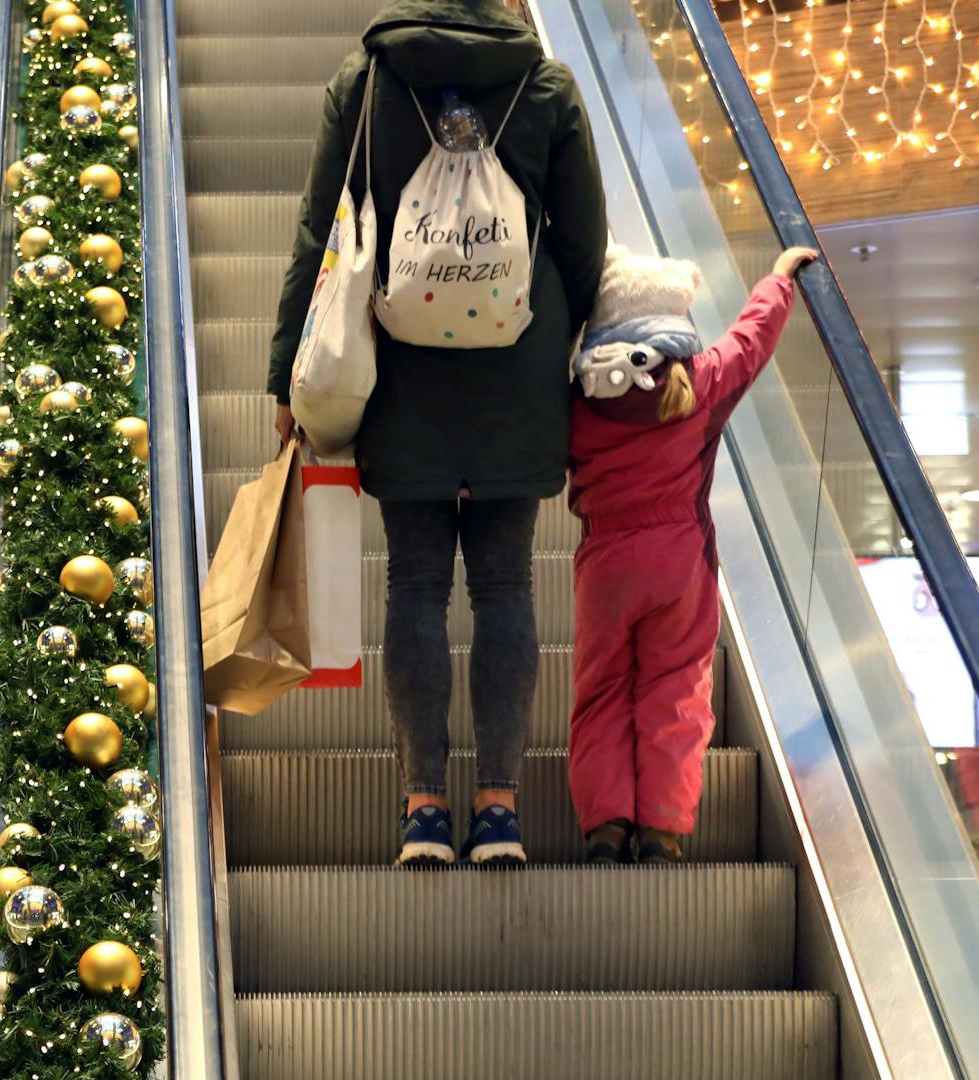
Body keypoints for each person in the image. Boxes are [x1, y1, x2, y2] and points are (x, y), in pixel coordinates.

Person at [266, 0, 609, 867]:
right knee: (505, 590)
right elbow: (585, 243)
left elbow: (322, 231)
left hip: (397, 370)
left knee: (413, 587)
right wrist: (544, 333)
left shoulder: (370, 78)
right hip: (518, 373)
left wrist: (287, 376)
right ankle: (498, 812)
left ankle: (423, 808)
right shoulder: (546, 84)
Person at [568, 244, 819, 864]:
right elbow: (750, 341)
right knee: (676, 690)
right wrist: (778, 279)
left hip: (605, 560)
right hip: (680, 559)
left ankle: (605, 826)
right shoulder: (699, 379)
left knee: (601, 692)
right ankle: (663, 829)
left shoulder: (574, 401)